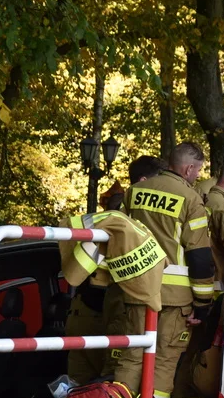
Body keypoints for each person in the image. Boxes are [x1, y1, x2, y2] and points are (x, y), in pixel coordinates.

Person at [108, 142, 215, 398]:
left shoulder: (134, 193)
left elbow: (118, 237)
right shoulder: (191, 200)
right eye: (198, 171)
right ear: (189, 168)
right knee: (165, 357)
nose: (198, 176)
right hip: (174, 299)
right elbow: (200, 257)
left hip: (137, 290)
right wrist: (203, 304)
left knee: (133, 354)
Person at [64, 156, 166, 384]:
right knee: (106, 380)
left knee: (78, 386)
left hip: (82, 310)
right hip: (108, 310)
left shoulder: (112, 216)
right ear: (144, 181)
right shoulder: (130, 222)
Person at [172, 141, 224, 398]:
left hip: (211, 288)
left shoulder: (213, 198)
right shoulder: (220, 203)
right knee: (199, 353)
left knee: (195, 352)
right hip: (217, 289)